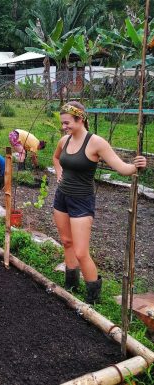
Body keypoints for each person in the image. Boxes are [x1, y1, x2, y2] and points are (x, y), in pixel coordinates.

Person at [53, 101, 146, 304]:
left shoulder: (96, 143)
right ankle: (70, 285)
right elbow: (56, 158)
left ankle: (93, 298)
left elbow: (122, 169)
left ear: (81, 119)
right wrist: (59, 173)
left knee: (81, 251)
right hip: (61, 197)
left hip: (81, 201)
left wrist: (136, 166)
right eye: (63, 123)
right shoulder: (64, 141)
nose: (64, 127)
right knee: (67, 242)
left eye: (67, 122)